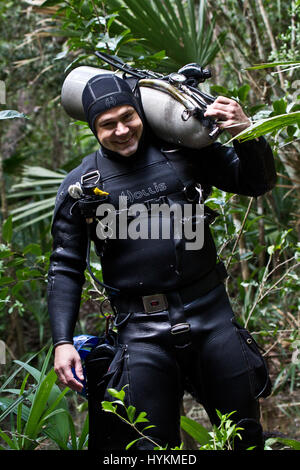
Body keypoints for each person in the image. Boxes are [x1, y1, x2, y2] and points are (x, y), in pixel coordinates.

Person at [48, 73, 276, 451]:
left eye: (128, 117)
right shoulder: (82, 185)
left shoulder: (186, 155)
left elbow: (255, 182)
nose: (122, 130)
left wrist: (247, 133)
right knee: (148, 449)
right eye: (108, 124)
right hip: (140, 333)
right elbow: (65, 266)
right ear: (93, 128)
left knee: (245, 438)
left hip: (212, 318)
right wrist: (62, 341)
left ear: (140, 113)